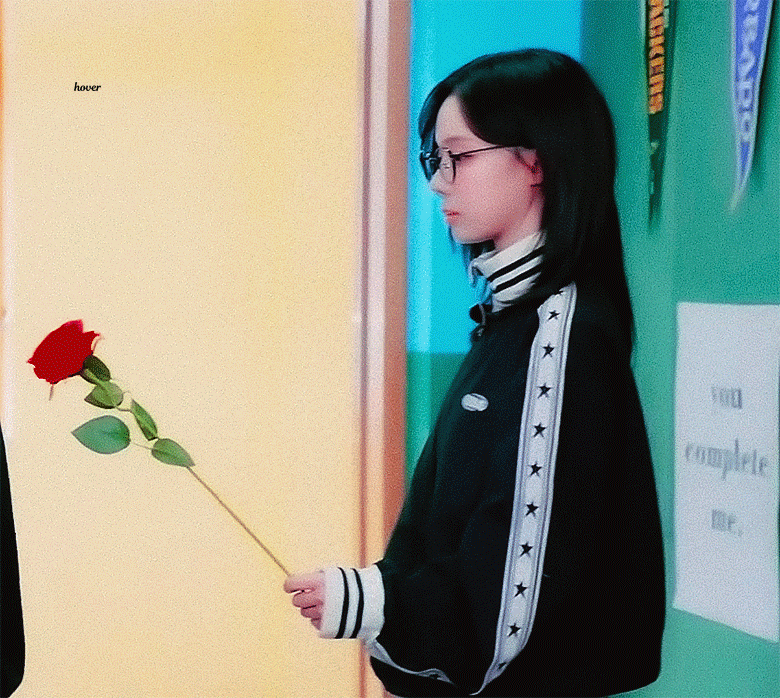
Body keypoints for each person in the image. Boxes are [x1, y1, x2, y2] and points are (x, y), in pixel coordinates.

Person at [285, 49, 665, 698]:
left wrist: (371, 600)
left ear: (535, 161)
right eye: (435, 160)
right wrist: (373, 594)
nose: (439, 183)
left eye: (458, 156)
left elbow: (518, 594)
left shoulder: (560, 332)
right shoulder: (513, 320)